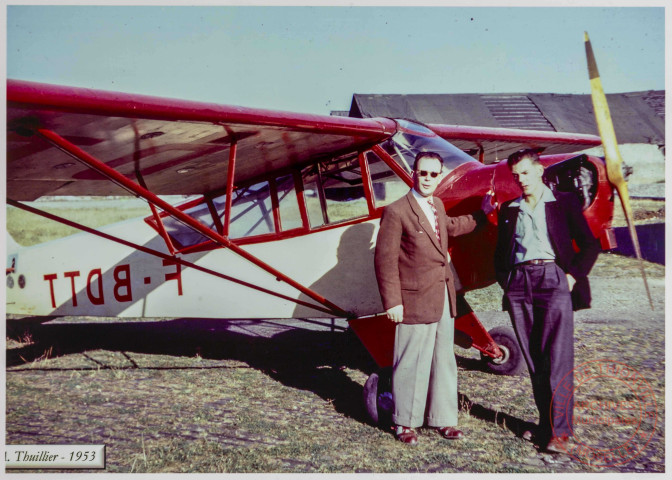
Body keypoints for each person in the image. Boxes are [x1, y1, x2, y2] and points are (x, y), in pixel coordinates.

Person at [374, 151, 495, 445]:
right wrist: (392, 302)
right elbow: (384, 260)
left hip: (443, 296)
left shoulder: (437, 205)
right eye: (422, 173)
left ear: (439, 176)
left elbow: (452, 228)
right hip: (413, 300)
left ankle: (444, 420)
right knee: (411, 361)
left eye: (433, 174)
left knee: (444, 359)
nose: (427, 178)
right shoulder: (396, 211)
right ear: (413, 174)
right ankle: (405, 423)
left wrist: (483, 213)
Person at [494, 148, 600, 453]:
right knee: (534, 357)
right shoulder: (509, 209)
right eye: (516, 176)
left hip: (554, 279)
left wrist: (571, 276)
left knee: (557, 357)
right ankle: (545, 426)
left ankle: (561, 432)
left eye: (526, 173)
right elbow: (501, 255)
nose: (521, 180)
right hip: (520, 284)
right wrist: (509, 281)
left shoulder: (562, 202)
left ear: (540, 171)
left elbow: (590, 245)